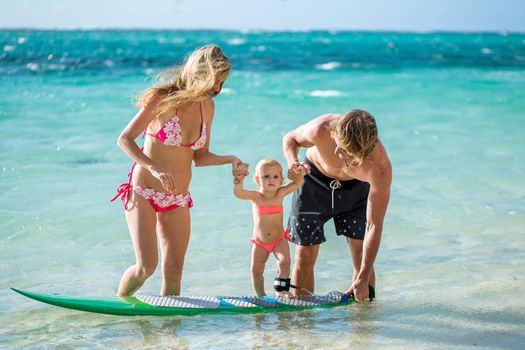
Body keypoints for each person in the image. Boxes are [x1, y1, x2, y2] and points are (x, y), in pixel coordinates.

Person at [111, 45, 245, 296]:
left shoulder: (208, 108)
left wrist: (231, 159)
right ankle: (121, 303)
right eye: (215, 82)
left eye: (222, 84)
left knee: (174, 270)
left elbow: (200, 157)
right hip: (144, 191)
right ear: (201, 74)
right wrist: (155, 168)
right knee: (146, 267)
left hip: (178, 197)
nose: (217, 89)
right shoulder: (162, 100)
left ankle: (170, 332)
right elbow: (125, 139)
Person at [282, 109, 392, 303]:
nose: (336, 152)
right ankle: (302, 323)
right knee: (305, 252)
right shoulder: (322, 128)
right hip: (314, 180)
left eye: (345, 153)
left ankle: (363, 322)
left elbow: (374, 225)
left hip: (356, 188)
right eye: (339, 145)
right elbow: (290, 138)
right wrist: (293, 162)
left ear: (364, 153)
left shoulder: (379, 167)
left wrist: (364, 275)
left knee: (361, 254)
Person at [233, 159, 306, 297]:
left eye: (275, 176)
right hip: (260, 242)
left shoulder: (280, 194)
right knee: (256, 269)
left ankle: (281, 290)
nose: (271, 180)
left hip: (278, 239)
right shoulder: (256, 196)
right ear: (257, 179)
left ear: (281, 180)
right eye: (266, 176)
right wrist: (239, 179)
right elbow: (239, 193)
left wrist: (299, 174)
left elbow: (297, 183)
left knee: (285, 262)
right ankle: (261, 295)